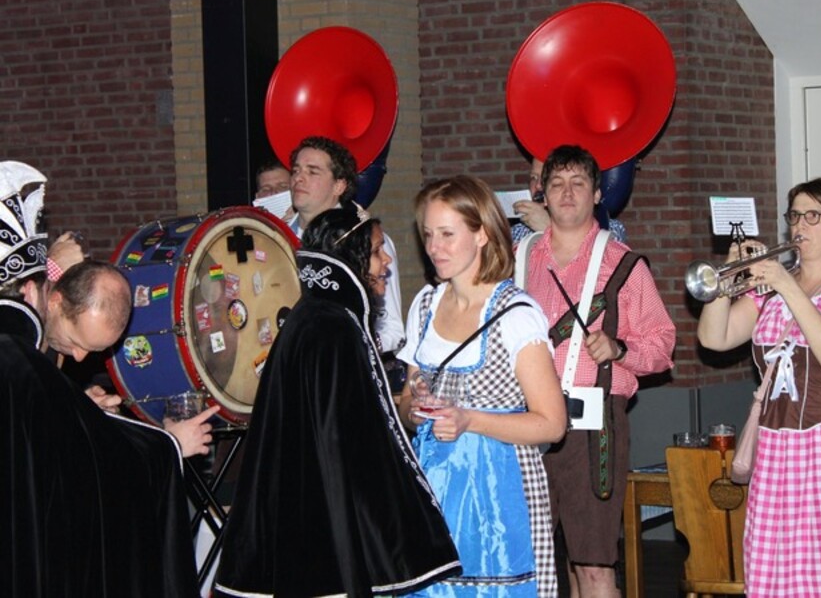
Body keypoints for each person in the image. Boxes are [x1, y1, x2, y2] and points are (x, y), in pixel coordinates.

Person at [214, 205, 461, 597]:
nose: (387, 262)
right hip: (319, 522)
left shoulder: (314, 316)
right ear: (353, 257)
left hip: (301, 510)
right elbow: (346, 445)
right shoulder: (333, 329)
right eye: (377, 251)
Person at [0, 160, 201, 596]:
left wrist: (79, 411)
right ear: (41, 295)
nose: (79, 357)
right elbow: (94, 480)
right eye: (78, 342)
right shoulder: (19, 362)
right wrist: (168, 445)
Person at [696, 177, 821, 597]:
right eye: (795, 216)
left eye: (813, 216)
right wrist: (726, 283)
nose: (800, 225)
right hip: (776, 445)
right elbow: (714, 338)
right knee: (776, 570)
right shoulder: (769, 293)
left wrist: (787, 285)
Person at [397, 175, 567, 597]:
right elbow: (406, 403)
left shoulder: (515, 314)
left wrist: (469, 419)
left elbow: (552, 424)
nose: (434, 247)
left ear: (482, 234)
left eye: (447, 234)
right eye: (428, 235)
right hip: (433, 483)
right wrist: (415, 407)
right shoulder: (424, 305)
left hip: (497, 489)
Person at [517, 145, 674, 597]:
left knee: (592, 563)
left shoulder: (623, 263)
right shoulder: (518, 258)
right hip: (526, 425)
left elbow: (662, 344)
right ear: (542, 193)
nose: (567, 193)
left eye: (578, 183)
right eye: (557, 184)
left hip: (593, 429)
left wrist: (620, 349)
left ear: (598, 194)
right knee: (527, 563)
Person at [287, 135, 405, 354]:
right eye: (295, 171)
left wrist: (353, 349)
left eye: (312, 172)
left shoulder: (368, 241)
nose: (298, 179)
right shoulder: (276, 237)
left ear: (339, 186)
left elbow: (393, 330)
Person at [511, 155, 626, 244]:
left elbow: (601, 262)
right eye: (533, 178)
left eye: (548, 179)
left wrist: (549, 229)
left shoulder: (610, 229)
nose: (538, 186)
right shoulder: (518, 232)